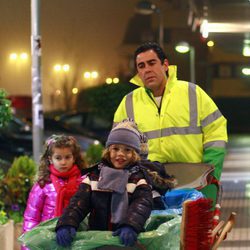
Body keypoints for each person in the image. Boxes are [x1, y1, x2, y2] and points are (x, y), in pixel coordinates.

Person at [113, 42, 228, 203]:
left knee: (194, 228)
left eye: (152, 63)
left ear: (165, 65)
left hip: (194, 183)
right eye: (141, 66)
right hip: (148, 186)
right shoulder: (128, 102)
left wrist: (210, 175)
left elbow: (216, 135)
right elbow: (116, 147)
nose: (147, 69)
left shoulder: (193, 93)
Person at [55, 121, 153, 248]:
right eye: (115, 148)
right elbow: (78, 203)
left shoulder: (138, 180)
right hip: (97, 241)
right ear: (108, 151)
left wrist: (131, 225)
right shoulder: (94, 178)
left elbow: (141, 205)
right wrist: (67, 223)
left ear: (134, 154)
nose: (120, 154)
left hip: (126, 241)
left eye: (127, 150)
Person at [22, 134, 86, 249]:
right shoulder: (43, 185)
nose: (63, 162)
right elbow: (32, 218)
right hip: (48, 241)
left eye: (67, 157)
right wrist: (29, 246)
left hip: (77, 240)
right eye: (58, 158)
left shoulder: (84, 183)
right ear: (50, 159)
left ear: (74, 158)